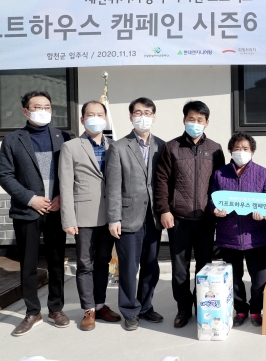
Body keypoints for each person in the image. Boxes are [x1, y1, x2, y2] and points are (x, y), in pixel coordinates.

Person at [0, 91, 71, 336]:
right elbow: (5, 175)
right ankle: (32, 312)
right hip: (27, 211)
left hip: (56, 210)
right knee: (28, 264)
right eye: (37, 107)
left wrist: (61, 196)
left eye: (47, 106)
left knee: (56, 262)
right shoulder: (12, 140)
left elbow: (71, 172)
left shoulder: (64, 137)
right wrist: (31, 199)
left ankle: (56, 309)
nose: (43, 111)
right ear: (25, 111)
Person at [155, 100, 225, 328]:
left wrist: (217, 208)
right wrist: (164, 210)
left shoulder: (215, 149)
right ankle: (183, 309)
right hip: (179, 219)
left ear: (207, 122)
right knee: (180, 270)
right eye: (191, 119)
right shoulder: (171, 147)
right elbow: (162, 181)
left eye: (200, 120)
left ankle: (202, 306)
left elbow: (220, 182)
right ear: (184, 120)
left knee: (205, 267)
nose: (195, 123)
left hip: (206, 219)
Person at [59, 100, 122, 331]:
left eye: (100, 114)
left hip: (110, 215)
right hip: (83, 215)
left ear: (105, 118)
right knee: (85, 264)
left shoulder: (114, 146)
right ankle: (88, 310)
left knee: (104, 262)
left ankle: (100, 304)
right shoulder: (71, 147)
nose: (96, 118)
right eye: (90, 114)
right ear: (82, 119)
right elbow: (65, 185)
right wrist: (68, 219)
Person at [105, 97, 165, 331]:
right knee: (129, 268)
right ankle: (130, 310)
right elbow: (112, 187)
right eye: (138, 113)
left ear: (154, 117)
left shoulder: (162, 146)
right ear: (130, 117)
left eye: (148, 113)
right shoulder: (118, 147)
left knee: (151, 266)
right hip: (128, 217)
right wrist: (114, 218)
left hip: (154, 217)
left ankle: (146, 306)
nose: (143, 117)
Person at [209, 132, 266, 327]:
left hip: (256, 235)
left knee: (259, 278)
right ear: (230, 150)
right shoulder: (220, 174)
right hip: (229, 234)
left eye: (245, 148)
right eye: (237, 148)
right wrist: (215, 209)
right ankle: (240, 309)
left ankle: (256, 310)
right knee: (234, 278)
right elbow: (212, 197)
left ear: (252, 151)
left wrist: (264, 211)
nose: (241, 152)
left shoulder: (263, 173)